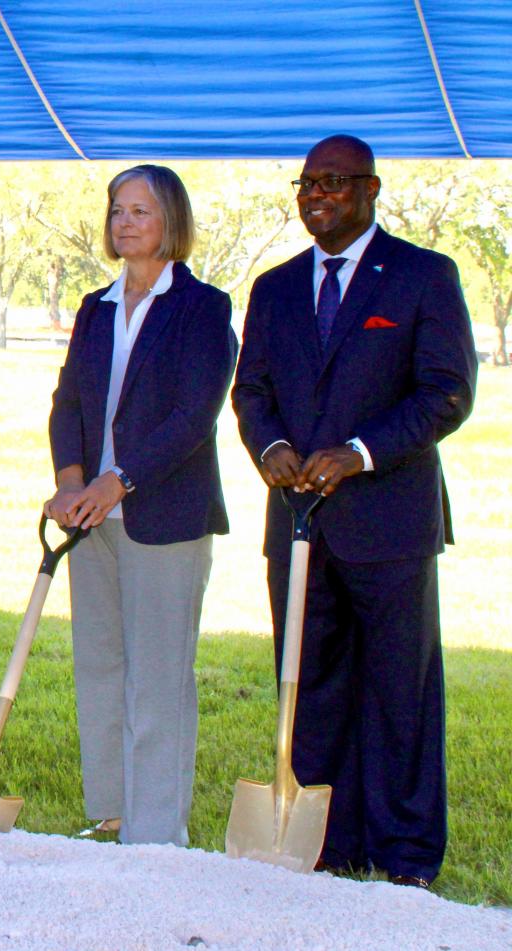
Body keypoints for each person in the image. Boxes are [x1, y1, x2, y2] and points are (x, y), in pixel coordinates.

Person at [232, 135, 477, 887]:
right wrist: (271, 446)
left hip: (390, 522)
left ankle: (405, 854)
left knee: (401, 692)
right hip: (299, 524)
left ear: (371, 190)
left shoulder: (422, 275)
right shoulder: (274, 288)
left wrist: (360, 452)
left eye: (334, 182)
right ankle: (326, 844)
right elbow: (251, 391)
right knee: (310, 686)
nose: (317, 196)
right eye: (307, 183)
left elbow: (446, 392)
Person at [44, 165, 236, 846]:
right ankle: (112, 811)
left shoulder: (203, 308)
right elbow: (69, 400)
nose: (125, 223)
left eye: (140, 211)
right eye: (117, 210)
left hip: (165, 517)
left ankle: (156, 834)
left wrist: (116, 481)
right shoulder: (95, 307)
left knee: (158, 679)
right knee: (100, 666)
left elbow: (193, 416)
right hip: (90, 520)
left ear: (171, 221)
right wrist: (72, 481)